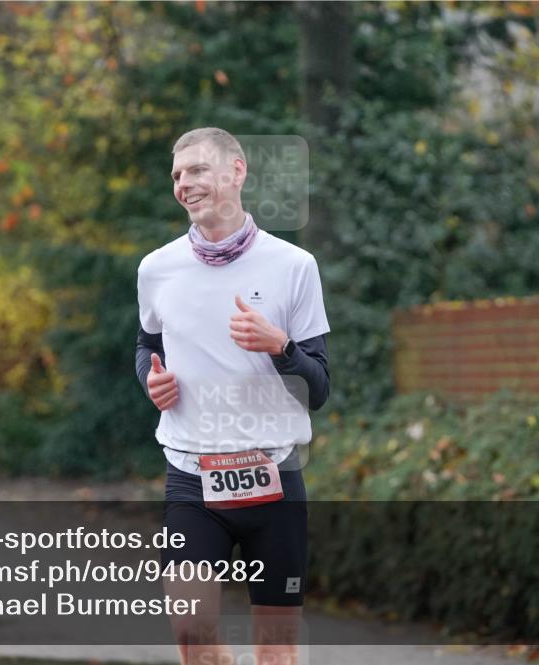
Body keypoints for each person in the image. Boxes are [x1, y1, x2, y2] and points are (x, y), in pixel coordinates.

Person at [136, 128, 330, 665]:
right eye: (177, 175)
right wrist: (150, 381)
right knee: (192, 639)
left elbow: (319, 387)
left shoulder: (293, 266)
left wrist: (281, 346)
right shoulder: (157, 268)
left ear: (236, 171)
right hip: (192, 479)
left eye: (197, 170)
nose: (184, 184)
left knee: (277, 654)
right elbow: (147, 345)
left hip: (273, 480)